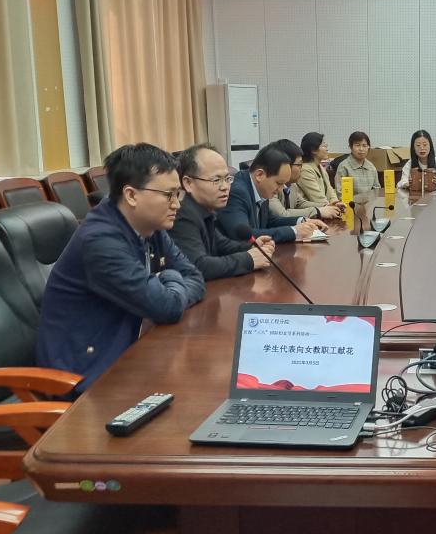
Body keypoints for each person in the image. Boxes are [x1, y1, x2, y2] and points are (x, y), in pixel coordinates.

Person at [36, 143, 205, 393]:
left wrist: (166, 281)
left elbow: (194, 277)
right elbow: (166, 308)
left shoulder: (149, 225)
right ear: (131, 195)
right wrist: (171, 278)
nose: (176, 204)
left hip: (124, 352)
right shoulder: (100, 241)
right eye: (168, 195)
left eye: (177, 194)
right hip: (84, 376)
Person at [170, 143, 276, 280]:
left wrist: (251, 246)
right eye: (216, 180)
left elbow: (221, 245)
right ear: (188, 183)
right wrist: (249, 259)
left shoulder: (203, 209)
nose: (225, 187)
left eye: (227, 179)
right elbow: (198, 266)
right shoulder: (181, 214)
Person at [218, 139, 325, 243]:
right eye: (279, 183)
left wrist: (302, 221)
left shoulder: (261, 188)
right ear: (260, 175)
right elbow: (245, 236)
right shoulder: (237, 192)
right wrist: (294, 231)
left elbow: (270, 221)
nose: (281, 190)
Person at [268, 141, 343, 221]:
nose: (302, 168)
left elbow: (300, 203)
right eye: (299, 164)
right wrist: (318, 211)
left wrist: (327, 206)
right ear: (285, 166)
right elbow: (282, 214)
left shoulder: (292, 184)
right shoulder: (269, 186)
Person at [294, 132, 343, 208]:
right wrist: (332, 207)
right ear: (313, 150)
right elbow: (318, 198)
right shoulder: (305, 170)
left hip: (326, 208)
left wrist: (335, 203)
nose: (326, 147)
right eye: (323, 145)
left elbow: (330, 191)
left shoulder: (320, 166)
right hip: (313, 211)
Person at [334, 131, 380, 196]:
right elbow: (340, 193)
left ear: (368, 147)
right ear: (351, 147)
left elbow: (376, 189)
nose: (361, 149)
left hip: (370, 202)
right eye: (357, 145)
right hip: (351, 202)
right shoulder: (344, 166)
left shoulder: (371, 167)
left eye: (364, 145)